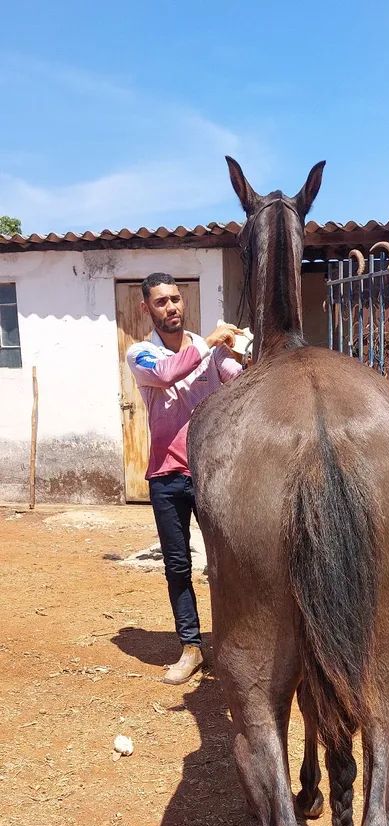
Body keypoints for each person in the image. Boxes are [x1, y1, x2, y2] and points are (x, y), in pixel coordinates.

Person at [126, 273, 244, 684]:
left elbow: (243, 379)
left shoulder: (211, 351)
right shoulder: (139, 354)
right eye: (161, 302)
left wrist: (244, 351)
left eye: (175, 299)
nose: (171, 307)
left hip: (214, 473)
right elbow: (166, 374)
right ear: (147, 308)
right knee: (178, 566)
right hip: (167, 476)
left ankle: (235, 645)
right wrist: (208, 344)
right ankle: (192, 647)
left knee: (229, 561)